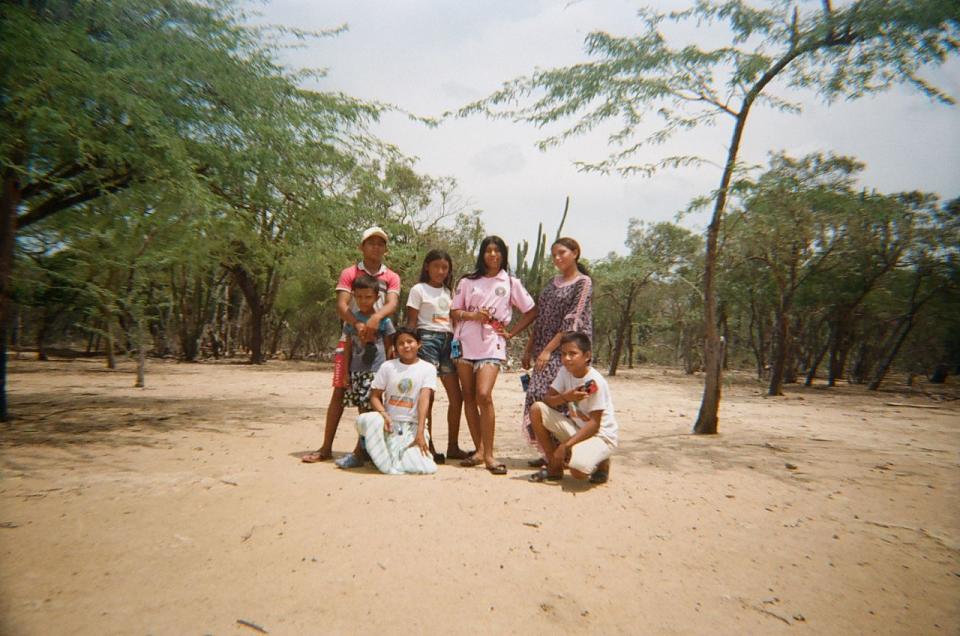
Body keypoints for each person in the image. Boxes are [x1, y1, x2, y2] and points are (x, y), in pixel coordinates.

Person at [302, 226, 400, 463]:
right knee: (339, 389)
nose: (375, 247)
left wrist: (376, 318)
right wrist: (357, 324)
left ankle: (363, 449)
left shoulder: (391, 276)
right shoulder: (350, 272)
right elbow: (342, 304)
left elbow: (392, 303)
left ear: (385, 249)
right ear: (362, 246)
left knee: (371, 394)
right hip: (350, 339)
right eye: (371, 243)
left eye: (380, 243)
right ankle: (326, 447)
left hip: (378, 343)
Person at [451, 235, 537, 475]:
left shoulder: (510, 282)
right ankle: (479, 451)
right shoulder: (468, 281)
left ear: (503, 254)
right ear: (482, 254)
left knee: (483, 395)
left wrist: (511, 334)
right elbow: (454, 311)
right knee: (468, 396)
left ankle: (489, 454)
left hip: (492, 343)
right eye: (488, 250)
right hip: (464, 343)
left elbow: (531, 311)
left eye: (497, 251)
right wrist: (473, 316)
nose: (492, 255)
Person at [521, 237, 593, 465]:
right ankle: (549, 452)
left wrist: (548, 352)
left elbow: (571, 322)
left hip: (567, 351)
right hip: (544, 348)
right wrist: (529, 349)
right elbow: (541, 318)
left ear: (575, 253)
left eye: (562, 253)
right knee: (536, 396)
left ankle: (566, 452)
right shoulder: (551, 284)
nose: (558, 258)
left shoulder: (583, 283)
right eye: (554, 255)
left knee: (560, 400)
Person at [405, 249, 471, 462]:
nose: (440, 271)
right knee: (428, 395)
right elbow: (412, 322)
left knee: (456, 396)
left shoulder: (449, 292)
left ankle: (452, 445)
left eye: (445, 268)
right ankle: (428, 443)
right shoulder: (418, 290)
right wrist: (411, 345)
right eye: (436, 266)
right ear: (427, 267)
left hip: (448, 342)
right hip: (427, 340)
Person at [527, 331, 617, 484]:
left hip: (600, 436)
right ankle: (554, 466)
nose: (566, 359)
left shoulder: (595, 381)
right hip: (578, 429)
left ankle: (603, 462)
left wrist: (565, 446)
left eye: (572, 354)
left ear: (587, 356)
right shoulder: (565, 372)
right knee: (537, 409)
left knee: (578, 471)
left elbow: (595, 424)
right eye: (563, 354)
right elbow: (547, 400)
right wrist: (565, 398)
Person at [354, 327, 439, 475]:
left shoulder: (428, 368)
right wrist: (384, 415)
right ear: (395, 347)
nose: (406, 346)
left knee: (422, 467)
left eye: (410, 341)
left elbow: (424, 400)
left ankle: (390, 456)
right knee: (368, 419)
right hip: (389, 424)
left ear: (419, 344)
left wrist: (420, 432)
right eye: (401, 343)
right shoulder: (388, 366)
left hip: (412, 425)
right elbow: (374, 396)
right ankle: (373, 448)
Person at [341, 274, 396, 415]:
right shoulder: (352, 321)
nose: (363, 301)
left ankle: (372, 435)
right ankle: (365, 436)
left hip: (377, 370)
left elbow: (389, 346)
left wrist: (390, 370)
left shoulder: (383, 321)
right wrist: (345, 371)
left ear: (377, 298)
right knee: (362, 407)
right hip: (357, 369)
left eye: (368, 297)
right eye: (359, 297)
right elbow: (347, 348)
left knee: (376, 405)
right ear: (354, 297)